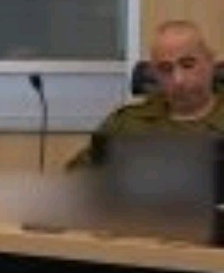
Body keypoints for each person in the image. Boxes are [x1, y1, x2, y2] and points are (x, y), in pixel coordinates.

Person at [67, 19, 224, 169]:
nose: (178, 80)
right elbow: (79, 178)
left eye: (188, 65)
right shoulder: (126, 124)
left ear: (210, 62)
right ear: (155, 74)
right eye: (165, 69)